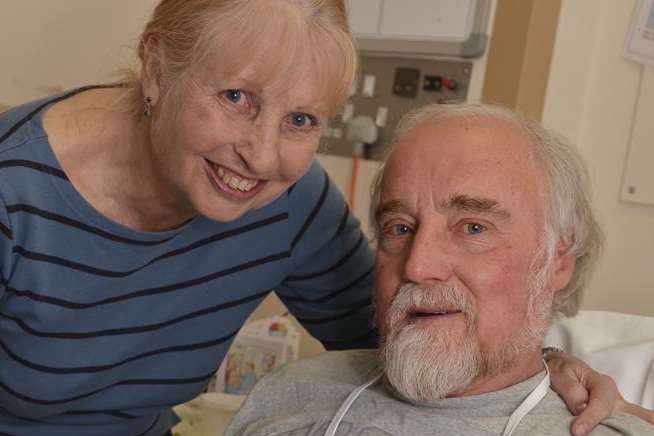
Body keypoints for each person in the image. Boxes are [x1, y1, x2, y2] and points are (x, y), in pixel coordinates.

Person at [0, 1, 638, 434]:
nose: (263, 155)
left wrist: (539, 366)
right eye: (236, 98)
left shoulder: (280, 200)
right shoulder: (13, 195)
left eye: (301, 120)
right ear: (158, 68)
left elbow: (403, 325)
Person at [225, 104, 654, 436]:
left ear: (558, 260)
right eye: (400, 227)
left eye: (472, 227)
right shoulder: (290, 394)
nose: (417, 264)